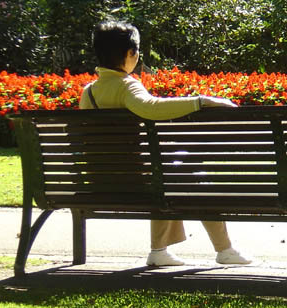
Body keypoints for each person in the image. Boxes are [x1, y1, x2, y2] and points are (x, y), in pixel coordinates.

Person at [79, 19, 251, 267]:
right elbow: (150, 107)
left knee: (170, 171)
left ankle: (160, 251)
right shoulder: (126, 86)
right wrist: (200, 101)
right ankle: (224, 250)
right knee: (194, 174)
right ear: (130, 53)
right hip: (138, 179)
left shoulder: (89, 92)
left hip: (103, 178)